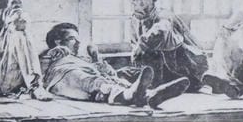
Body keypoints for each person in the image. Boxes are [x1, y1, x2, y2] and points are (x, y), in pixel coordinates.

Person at [40, 23, 188, 108]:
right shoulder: (54, 54)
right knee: (86, 80)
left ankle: (148, 95)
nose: (78, 43)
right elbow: (36, 64)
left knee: (112, 81)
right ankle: (137, 94)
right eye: (72, 39)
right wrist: (54, 51)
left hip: (89, 84)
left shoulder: (82, 58)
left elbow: (110, 74)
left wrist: (96, 57)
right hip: (63, 76)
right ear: (58, 42)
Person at [124, 0, 208, 92]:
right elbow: (134, 43)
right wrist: (136, 50)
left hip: (184, 62)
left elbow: (161, 29)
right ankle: (160, 86)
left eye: (142, 0)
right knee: (124, 74)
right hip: (160, 66)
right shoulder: (135, 20)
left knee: (152, 53)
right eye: (134, 2)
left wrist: (142, 44)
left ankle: (195, 82)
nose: (138, 5)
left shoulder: (163, 15)